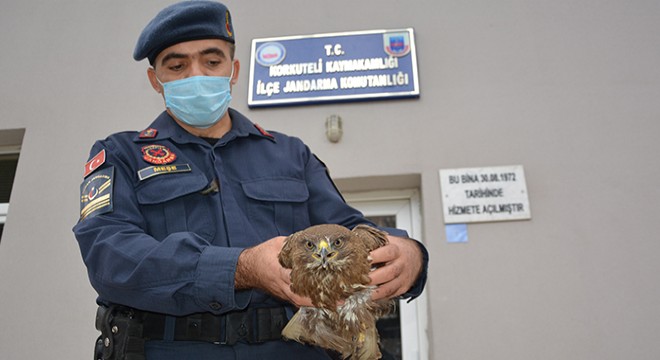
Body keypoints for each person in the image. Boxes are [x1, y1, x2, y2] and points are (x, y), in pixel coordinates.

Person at [73, 1, 428, 359]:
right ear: (155, 79)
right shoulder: (121, 154)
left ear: (234, 69)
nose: (197, 75)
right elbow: (110, 255)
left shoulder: (290, 154)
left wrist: (410, 255)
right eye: (177, 65)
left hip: (294, 348)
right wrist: (241, 268)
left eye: (212, 62)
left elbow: (348, 228)